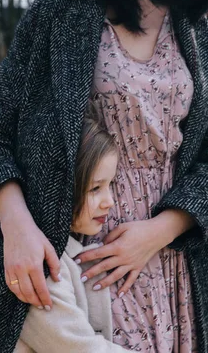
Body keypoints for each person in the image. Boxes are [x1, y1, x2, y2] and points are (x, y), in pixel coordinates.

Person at [0, 0, 208, 351]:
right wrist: (15, 223)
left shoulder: (206, 25)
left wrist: (157, 233)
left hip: (172, 265)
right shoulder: (59, 12)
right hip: (72, 262)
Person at [14, 114, 128, 353]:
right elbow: (81, 348)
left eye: (111, 185)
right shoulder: (40, 265)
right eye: (95, 188)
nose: (109, 202)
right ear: (60, 189)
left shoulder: (66, 249)